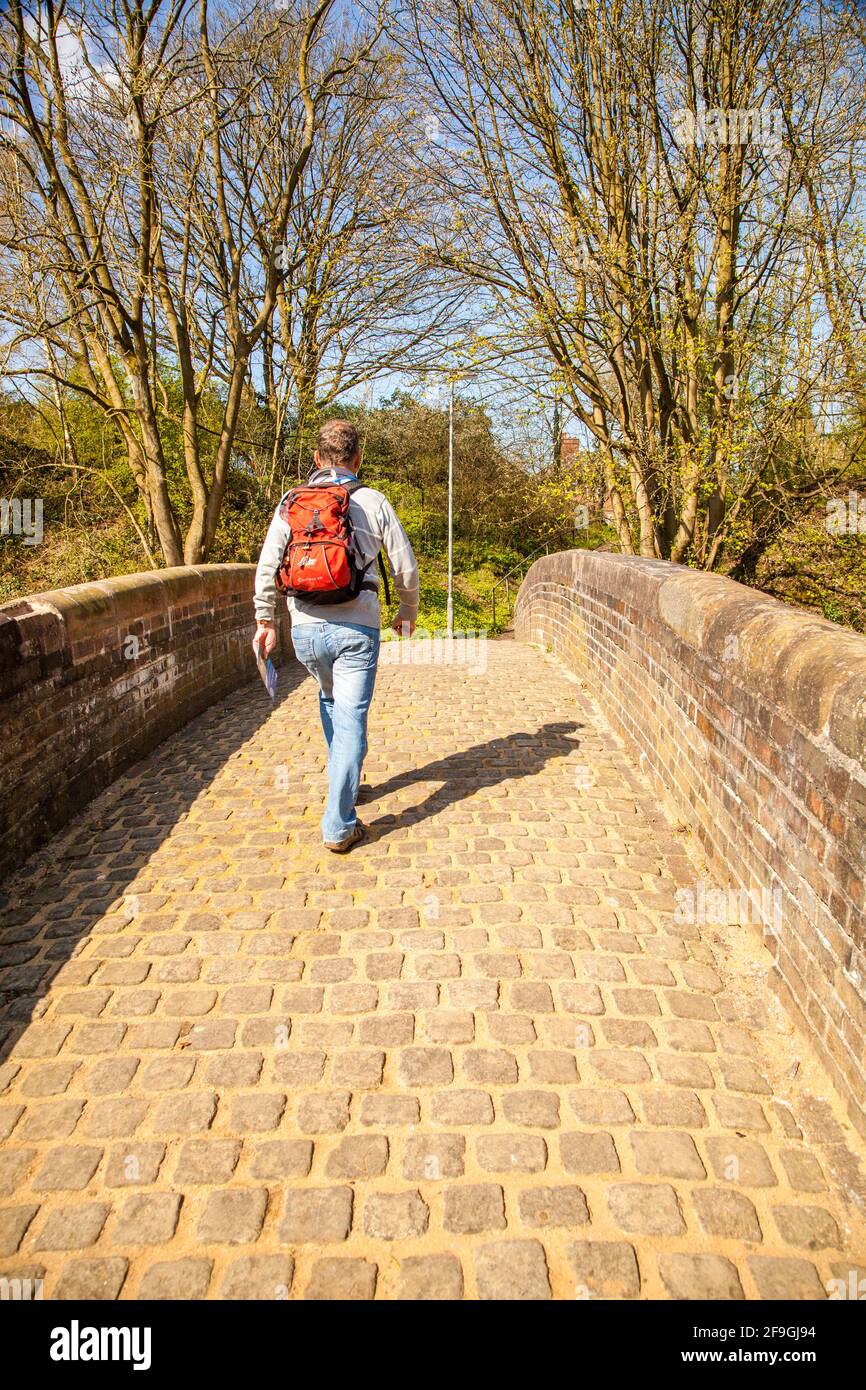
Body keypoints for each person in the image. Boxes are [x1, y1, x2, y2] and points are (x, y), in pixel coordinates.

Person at [253, 419, 419, 851]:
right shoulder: (373, 501)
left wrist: (266, 621)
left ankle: (348, 781)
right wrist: (407, 610)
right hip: (356, 628)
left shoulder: (292, 502)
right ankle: (339, 823)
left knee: (331, 702)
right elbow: (405, 566)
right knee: (351, 719)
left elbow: (268, 565)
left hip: (306, 630)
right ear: (358, 458)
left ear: (315, 459)